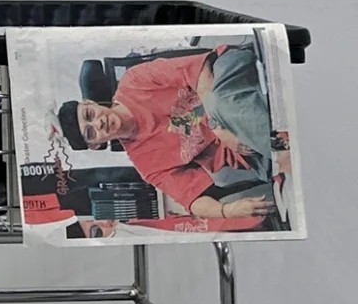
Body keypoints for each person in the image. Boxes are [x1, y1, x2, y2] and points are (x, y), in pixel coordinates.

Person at [57, 43, 287, 223]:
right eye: (91, 133)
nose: (98, 123)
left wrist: (218, 126)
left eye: (89, 114)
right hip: (244, 147)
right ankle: (279, 145)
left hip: (224, 78)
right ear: (96, 145)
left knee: (222, 105)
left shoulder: (134, 81)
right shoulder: (147, 164)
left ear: (90, 103)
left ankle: (282, 147)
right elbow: (193, 201)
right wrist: (227, 210)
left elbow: (198, 71)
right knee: (267, 164)